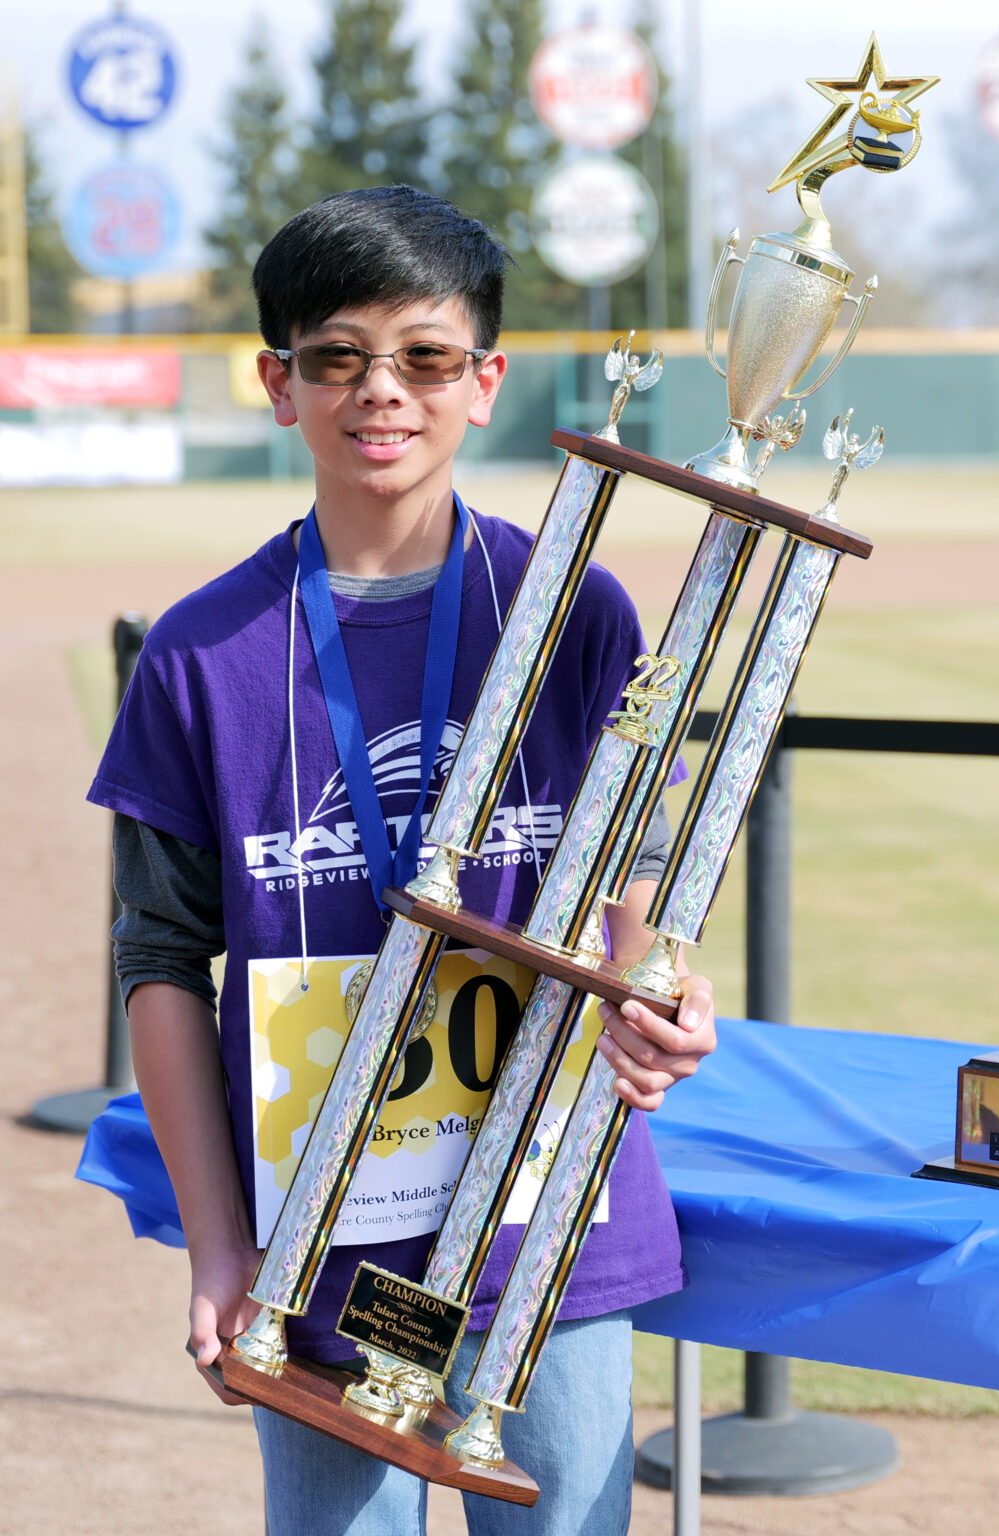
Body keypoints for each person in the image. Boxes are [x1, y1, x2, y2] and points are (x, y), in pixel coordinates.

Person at [87, 185, 716, 1536]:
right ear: (278, 382)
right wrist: (220, 1249)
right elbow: (159, 961)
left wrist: (662, 992)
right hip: (314, 1242)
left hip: (543, 1229)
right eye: (337, 356)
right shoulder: (203, 656)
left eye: (427, 357)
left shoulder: (573, 610)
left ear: (485, 381)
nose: (383, 391)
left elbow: (632, 901)